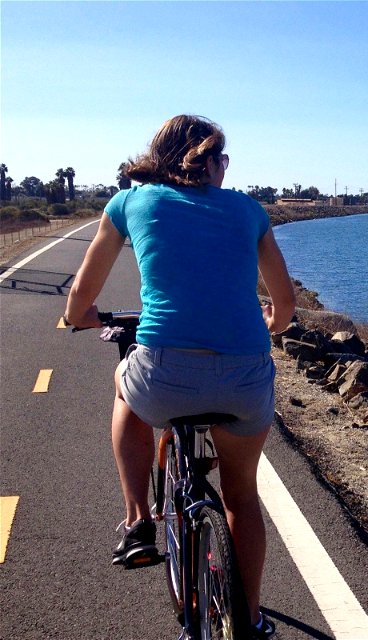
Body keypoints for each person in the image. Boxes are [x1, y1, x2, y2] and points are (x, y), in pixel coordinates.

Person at [65, 114, 295, 639]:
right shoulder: (248, 210)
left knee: (125, 384)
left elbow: (80, 298)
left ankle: (139, 520)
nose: (224, 169)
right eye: (223, 160)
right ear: (209, 162)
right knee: (241, 496)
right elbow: (284, 305)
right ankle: (252, 620)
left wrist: (84, 318)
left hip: (165, 373)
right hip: (245, 376)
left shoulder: (129, 203)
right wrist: (271, 323)